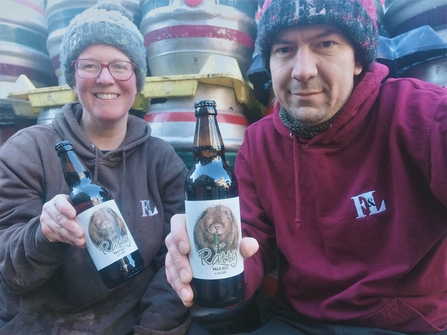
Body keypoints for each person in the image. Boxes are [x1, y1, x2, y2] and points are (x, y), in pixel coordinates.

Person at [165, 0, 447, 334]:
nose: (302, 70)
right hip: (298, 322)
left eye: (325, 44)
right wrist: (209, 256)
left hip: (408, 324)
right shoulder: (259, 143)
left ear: (358, 59)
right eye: (284, 50)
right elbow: (252, 243)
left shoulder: (421, 115)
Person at [0, 1, 190, 334]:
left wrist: (151, 331)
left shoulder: (162, 161)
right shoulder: (28, 151)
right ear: (72, 77)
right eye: (89, 65)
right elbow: (9, 272)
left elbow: (173, 270)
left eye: (120, 66)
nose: (105, 79)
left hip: (130, 324)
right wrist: (43, 235)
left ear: (137, 78)